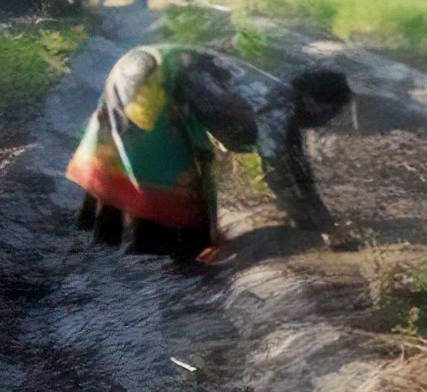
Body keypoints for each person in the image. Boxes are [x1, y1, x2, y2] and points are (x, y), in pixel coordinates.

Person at [67, 44, 352, 258]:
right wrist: (320, 225)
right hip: (155, 79)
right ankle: (166, 252)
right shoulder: (282, 107)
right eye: (332, 113)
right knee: (174, 173)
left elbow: (294, 162)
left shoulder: (274, 93)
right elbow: (283, 171)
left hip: (137, 64)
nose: (326, 122)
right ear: (317, 104)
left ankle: (104, 240)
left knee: (124, 153)